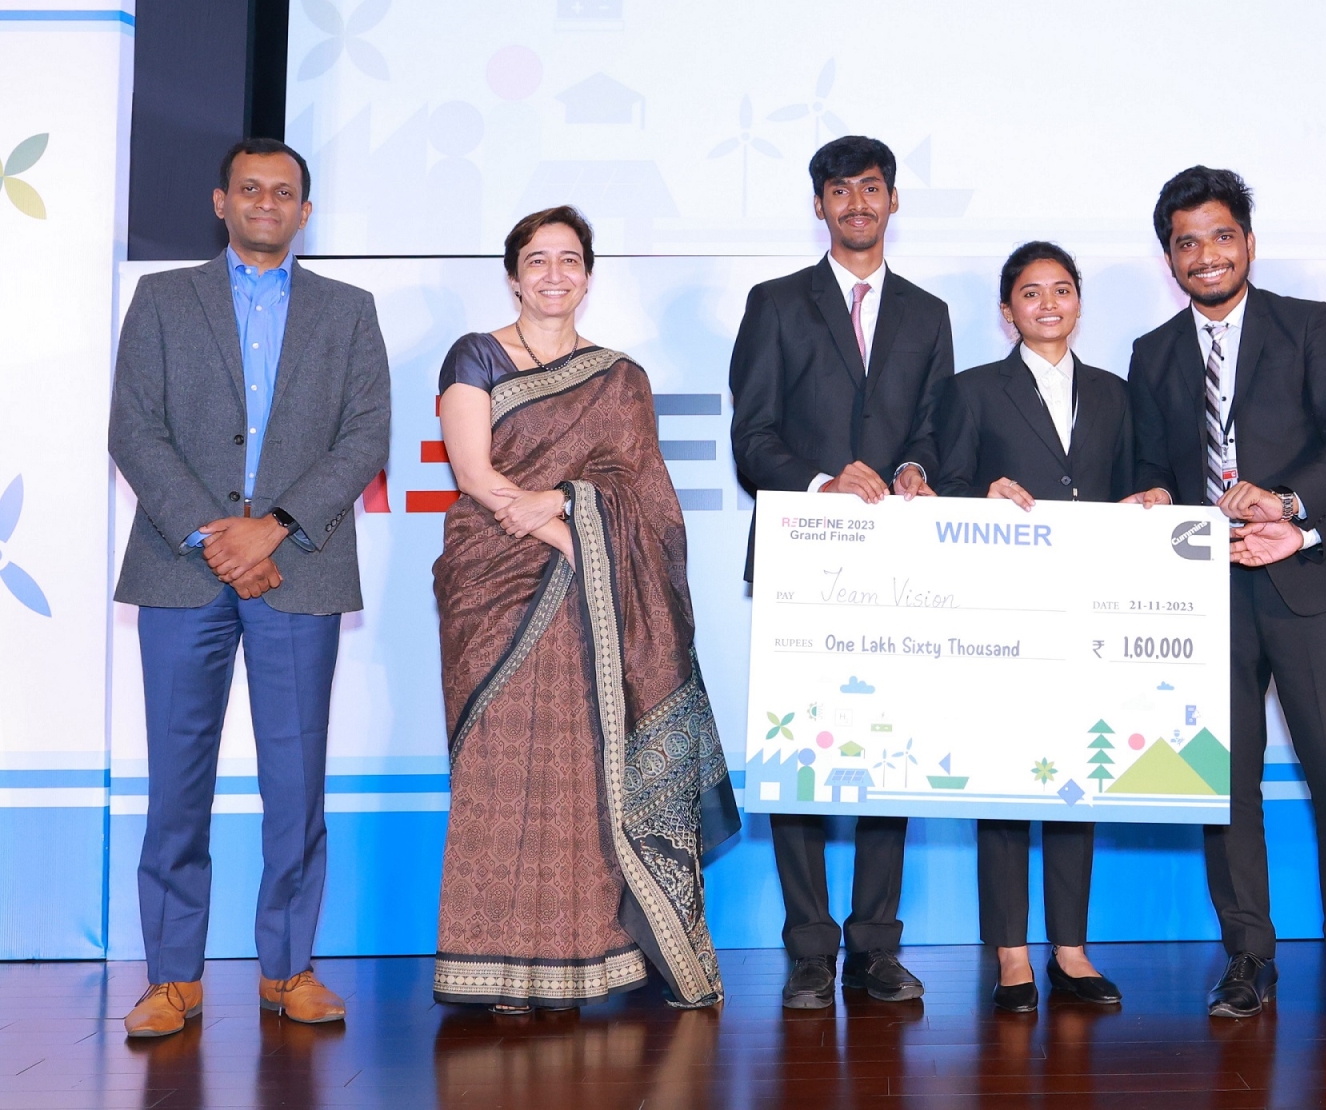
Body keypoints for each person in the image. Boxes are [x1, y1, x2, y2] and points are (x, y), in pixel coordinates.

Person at [108, 137, 391, 1037]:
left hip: (296, 568)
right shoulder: (161, 300)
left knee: (295, 783)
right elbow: (134, 430)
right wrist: (213, 533)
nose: (267, 202)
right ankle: (173, 979)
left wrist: (271, 527)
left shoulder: (348, 311)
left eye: (285, 192)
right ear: (221, 202)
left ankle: (287, 970)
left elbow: (365, 436)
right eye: (251, 189)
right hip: (179, 566)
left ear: (306, 212)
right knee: (177, 785)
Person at [431, 206, 738, 1012]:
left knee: (580, 773)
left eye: (570, 260)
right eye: (538, 260)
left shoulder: (621, 377)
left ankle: (591, 958)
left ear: (590, 275)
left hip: (594, 599)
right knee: (499, 768)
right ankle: (498, 965)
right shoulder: (475, 356)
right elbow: (472, 470)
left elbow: (648, 502)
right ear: (514, 274)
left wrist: (568, 509)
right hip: (495, 586)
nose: (554, 274)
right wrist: (562, 530)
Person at [1125, 167, 1326, 1020]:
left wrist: (1287, 502)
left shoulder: (1309, 326)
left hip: (1304, 580)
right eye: (1186, 242)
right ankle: (1247, 955)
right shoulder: (1153, 353)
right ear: (1169, 254)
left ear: (1248, 240)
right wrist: (1150, 492)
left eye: (1220, 236)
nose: (1205, 255)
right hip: (1199, 597)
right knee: (1222, 782)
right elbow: (1145, 465)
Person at [728, 135, 954, 1009]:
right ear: (818, 206)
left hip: (899, 562)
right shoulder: (776, 302)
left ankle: (874, 947)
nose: (856, 202)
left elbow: (933, 427)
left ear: (894, 201)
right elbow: (753, 439)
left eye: (871, 188)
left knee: (887, 754)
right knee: (801, 758)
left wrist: (914, 470)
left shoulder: (929, 313)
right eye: (838, 190)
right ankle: (810, 950)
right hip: (802, 555)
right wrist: (825, 481)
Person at [935, 241, 1132, 1012]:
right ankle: (1012, 956)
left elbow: (1140, 481)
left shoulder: (1117, 393)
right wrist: (981, 491)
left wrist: (1146, 498)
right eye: (1029, 293)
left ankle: (1072, 952)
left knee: (1076, 780)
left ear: (1079, 302)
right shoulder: (973, 390)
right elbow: (947, 485)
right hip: (1004, 612)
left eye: (1061, 290)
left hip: (1091, 612)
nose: (1047, 304)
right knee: (1006, 780)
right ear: (1007, 310)